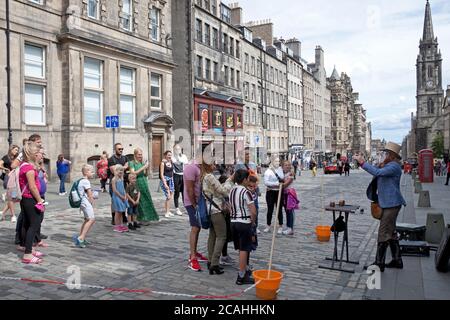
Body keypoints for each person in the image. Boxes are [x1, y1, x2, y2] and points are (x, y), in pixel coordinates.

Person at [354, 142, 406, 272]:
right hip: (389, 203)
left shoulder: (394, 166)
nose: (384, 155)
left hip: (391, 204)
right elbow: (378, 171)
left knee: (383, 232)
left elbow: (377, 172)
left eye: (386, 153)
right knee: (392, 232)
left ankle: (379, 263)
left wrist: (362, 163)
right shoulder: (388, 165)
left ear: (392, 155)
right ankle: (397, 259)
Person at [202, 161, 233, 275]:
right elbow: (223, 191)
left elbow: (216, 192)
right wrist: (230, 180)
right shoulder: (210, 176)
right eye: (212, 164)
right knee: (222, 236)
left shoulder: (204, 177)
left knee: (213, 236)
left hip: (210, 210)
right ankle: (214, 264)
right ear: (207, 165)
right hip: (216, 210)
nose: (215, 166)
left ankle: (210, 261)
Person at [18, 142, 46, 264]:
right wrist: (40, 200)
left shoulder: (25, 165)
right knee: (34, 225)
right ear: (32, 154)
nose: (39, 155)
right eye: (37, 153)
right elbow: (32, 187)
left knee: (28, 224)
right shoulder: (28, 168)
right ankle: (28, 254)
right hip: (30, 199)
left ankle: (29, 248)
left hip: (26, 199)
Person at [229, 169, 257, 285]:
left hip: (233, 222)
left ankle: (244, 271)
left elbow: (230, 206)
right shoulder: (246, 192)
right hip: (244, 222)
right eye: (248, 178)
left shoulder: (232, 190)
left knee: (241, 248)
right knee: (244, 249)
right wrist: (253, 222)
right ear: (245, 179)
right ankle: (241, 276)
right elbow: (253, 211)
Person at [184, 149, 208, 272]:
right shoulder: (191, 167)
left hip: (199, 201)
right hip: (191, 202)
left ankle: (195, 252)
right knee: (195, 227)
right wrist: (194, 204)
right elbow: (189, 189)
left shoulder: (200, 167)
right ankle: (192, 257)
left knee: (198, 227)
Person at [128, 148, 159, 224]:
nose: (140, 156)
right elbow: (133, 173)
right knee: (140, 200)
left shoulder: (142, 163)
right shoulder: (132, 163)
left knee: (146, 199)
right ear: (135, 155)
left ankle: (148, 217)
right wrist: (143, 168)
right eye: (139, 154)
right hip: (137, 183)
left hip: (144, 182)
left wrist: (147, 169)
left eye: (141, 154)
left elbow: (145, 174)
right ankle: (140, 218)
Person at [72, 164, 96, 248]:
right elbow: (89, 194)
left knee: (87, 219)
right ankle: (81, 238)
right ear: (86, 172)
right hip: (85, 202)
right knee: (91, 219)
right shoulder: (86, 181)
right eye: (91, 171)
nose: (93, 173)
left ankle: (82, 236)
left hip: (82, 202)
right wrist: (92, 202)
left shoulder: (81, 180)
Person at [108, 143, 129, 225]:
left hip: (123, 182)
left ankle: (123, 216)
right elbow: (114, 171)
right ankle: (114, 217)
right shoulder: (111, 159)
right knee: (115, 201)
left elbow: (127, 166)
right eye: (119, 149)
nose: (121, 150)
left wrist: (119, 168)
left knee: (123, 198)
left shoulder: (125, 157)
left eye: (122, 149)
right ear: (115, 150)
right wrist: (123, 168)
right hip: (114, 182)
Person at [263, 156, 285, 234]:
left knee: (279, 209)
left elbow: (282, 178)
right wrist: (276, 184)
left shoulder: (280, 169)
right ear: (272, 162)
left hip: (279, 192)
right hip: (271, 192)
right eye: (276, 161)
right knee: (270, 209)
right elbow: (266, 182)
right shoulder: (268, 171)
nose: (277, 163)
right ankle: (268, 225)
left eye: (278, 161)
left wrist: (279, 184)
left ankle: (280, 225)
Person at [1, 144, 20, 222]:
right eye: (15, 150)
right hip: (9, 178)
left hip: (16, 178)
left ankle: (3, 212)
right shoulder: (6, 157)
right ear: (11, 150)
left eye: (17, 150)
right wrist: (6, 169)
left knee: (14, 197)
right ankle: (13, 215)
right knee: (13, 197)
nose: (17, 151)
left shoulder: (17, 157)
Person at [111, 164, 129, 233]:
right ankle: (116, 226)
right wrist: (121, 196)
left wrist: (125, 195)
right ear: (115, 171)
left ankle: (121, 225)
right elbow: (115, 190)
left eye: (121, 170)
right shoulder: (114, 179)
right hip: (117, 197)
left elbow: (123, 188)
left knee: (121, 211)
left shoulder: (121, 178)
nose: (120, 171)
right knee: (117, 212)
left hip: (122, 196)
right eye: (118, 170)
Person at [172, 144, 189, 216]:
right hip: (176, 176)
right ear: (173, 150)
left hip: (183, 175)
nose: (177, 150)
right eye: (176, 149)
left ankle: (187, 207)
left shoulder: (183, 156)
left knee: (184, 193)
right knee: (177, 192)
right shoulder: (172, 157)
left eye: (179, 149)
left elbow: (186, 163)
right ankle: (177, 208)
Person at [281, 160, 295, 235]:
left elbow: (285, 184)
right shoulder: (283, 173)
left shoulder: (291, 174)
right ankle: (288, 227)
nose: (287, 166)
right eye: (285, 165)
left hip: (289, 193)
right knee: (287, 211)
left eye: (288, 165)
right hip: (284, 193)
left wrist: (276, 184)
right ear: (282, 166)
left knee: (290, 211)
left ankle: (290, 228)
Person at [160, 151, 175, 218]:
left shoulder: (171, 162)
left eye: (170, 155)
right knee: (168, 196)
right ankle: (166, 212)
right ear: (165, 155)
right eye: (168, 155)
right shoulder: (163, 163)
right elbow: (161, 174)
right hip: (165, 180)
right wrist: (165, 183)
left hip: (171, 180)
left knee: (170, 196)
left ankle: (168, 211)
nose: (169, 156)